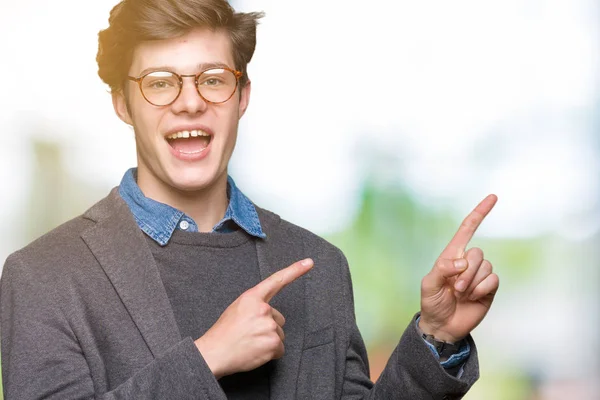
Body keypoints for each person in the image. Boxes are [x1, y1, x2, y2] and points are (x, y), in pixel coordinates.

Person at [0, 0, 500, 398]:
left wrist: (436, 337)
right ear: (122, 104)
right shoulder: (42, 277)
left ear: (242, 97)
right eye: (159, 83)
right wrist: (208, 358)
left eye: (213, 79)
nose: (190, 100)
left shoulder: (320, 268)